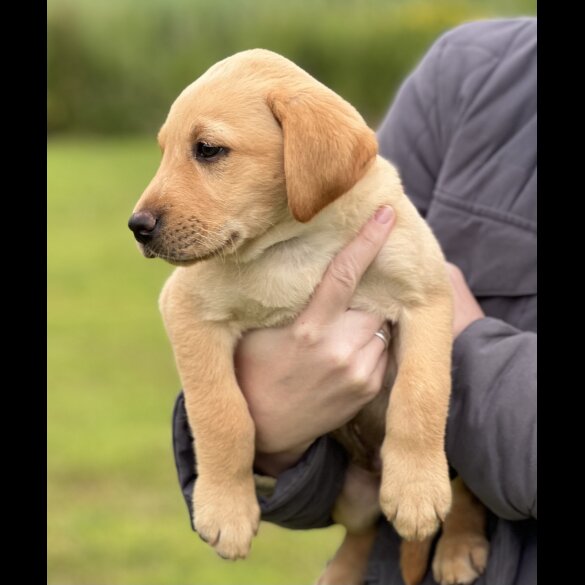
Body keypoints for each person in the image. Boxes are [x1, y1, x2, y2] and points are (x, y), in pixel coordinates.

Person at [172, 17, 536, 584]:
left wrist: (473, 363)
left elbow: (425, 297)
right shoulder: (470, 69)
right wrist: (262, 442)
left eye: (209, 150)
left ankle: (462, 521)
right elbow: (194, 311)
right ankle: (360, 546)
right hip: (359, 474)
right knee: (359, 506)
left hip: (453, 480)